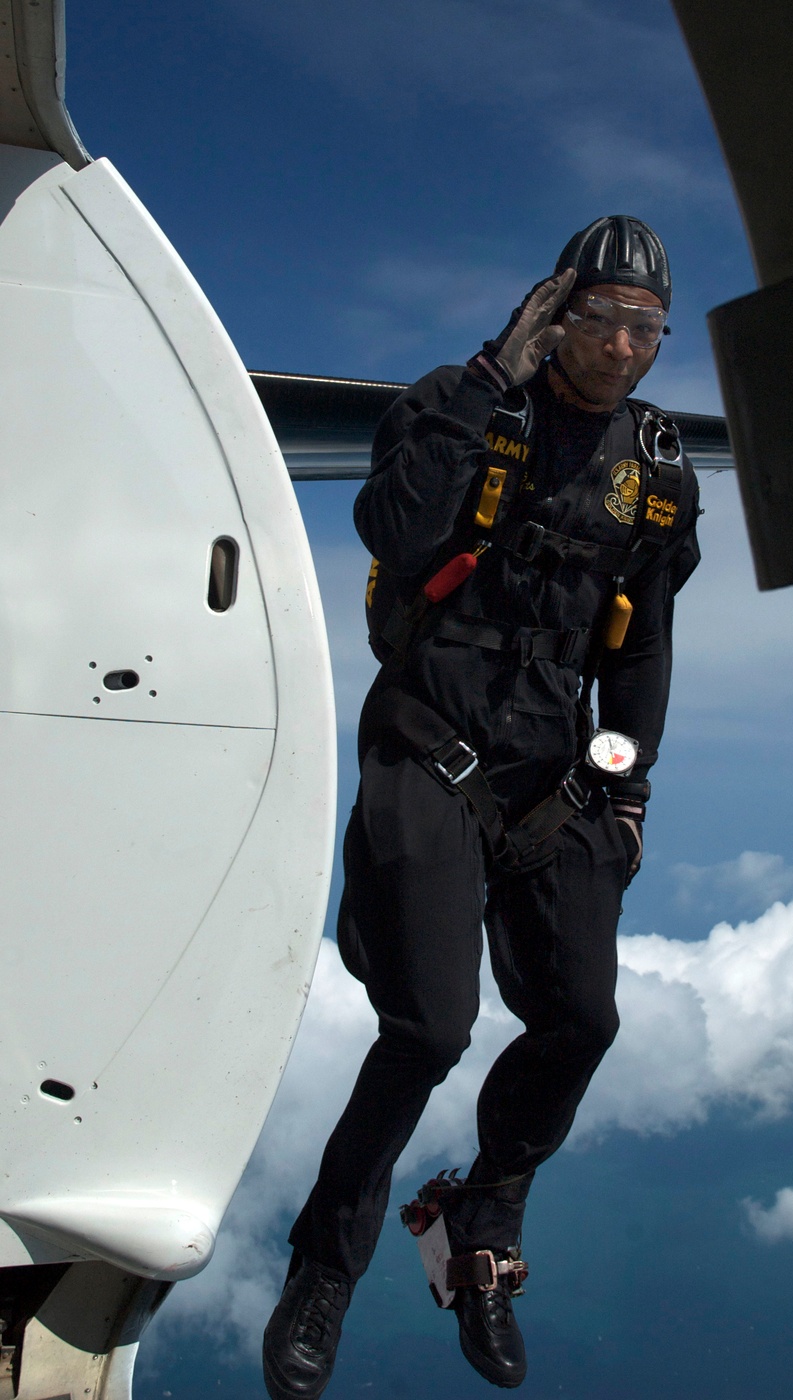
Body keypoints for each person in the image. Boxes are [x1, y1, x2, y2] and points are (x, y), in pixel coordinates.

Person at [263, 215, 701, 1399]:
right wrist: (484, 382)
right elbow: (392, 529)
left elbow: (642, 646)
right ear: (551, 314)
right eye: (599, 317)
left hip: (553, 772)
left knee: (582, 1016)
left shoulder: (656, 468)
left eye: (645, 328)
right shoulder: (458, 406)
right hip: (426, 741)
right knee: (430, 1027)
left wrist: (624, 787)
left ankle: (481, 1220)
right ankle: (324, 1264)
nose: (621, 345)